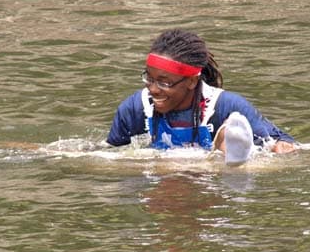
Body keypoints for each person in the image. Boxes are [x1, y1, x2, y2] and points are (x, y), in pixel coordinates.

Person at [106, 29, 296, 157]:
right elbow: (113, 153)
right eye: (149, 78)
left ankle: (224, 143)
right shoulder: (135, 108)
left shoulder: (228, 107)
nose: (153, 89)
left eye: (165, 83)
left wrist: (282, 148)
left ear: (191, 81)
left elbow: (280, 142)